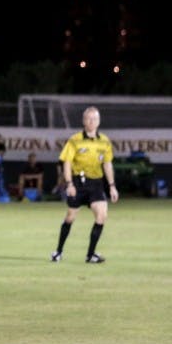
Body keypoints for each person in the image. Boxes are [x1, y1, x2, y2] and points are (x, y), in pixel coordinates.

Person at [51, 106, 119, 263]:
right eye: (89, 118)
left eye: (95, 119)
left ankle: (90, 254)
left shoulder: (105, 141)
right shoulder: (75, 140)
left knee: (102, 215)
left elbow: (107, 164)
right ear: (83, 121)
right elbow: (67, 163)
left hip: (96, 184)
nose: (92, 121)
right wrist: (69, 184)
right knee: (70, 217)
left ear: (99, 121)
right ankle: (58, 251)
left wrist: (112, 186)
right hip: (78, 182)